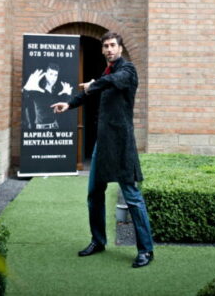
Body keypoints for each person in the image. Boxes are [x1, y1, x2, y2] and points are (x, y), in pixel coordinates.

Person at [51, 31, 155, 268]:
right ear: (102, 50)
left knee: (133, 197)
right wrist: (68, 104)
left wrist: (94, 84)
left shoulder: (127, 70)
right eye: (105, 46)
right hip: (102, 143)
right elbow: (89, 93)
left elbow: (108, 83)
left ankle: (146, 250)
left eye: (112, 46)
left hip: (121, 144)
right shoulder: (105, 73)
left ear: (120, 48)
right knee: (94, 194)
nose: (109, 49)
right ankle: (98, 241)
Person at [22, 62, 72, 130]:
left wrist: (69, 94)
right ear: (46, 74)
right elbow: (23, 101)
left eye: (55, 75)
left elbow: (66, 108)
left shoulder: (57, 91)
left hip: (55, 126)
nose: (53, 78)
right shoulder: (37, 89)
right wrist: (26, 89)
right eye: (51, 74)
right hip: (41, 129)